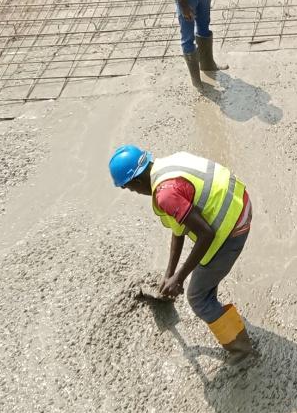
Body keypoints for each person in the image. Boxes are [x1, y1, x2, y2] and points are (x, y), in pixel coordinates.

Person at [108, 144, 254, 361]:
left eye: (130, 189)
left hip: (231, 226)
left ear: (136, 182)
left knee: (198, 297)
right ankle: (222, 315)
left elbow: (206, 234)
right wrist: (169, 273)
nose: (135, 193)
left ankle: (243, 351)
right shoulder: (168, 165)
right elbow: (178, 230)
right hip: (239, 200)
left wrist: (180, 277)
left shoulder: (165, 194)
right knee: (204, 285)